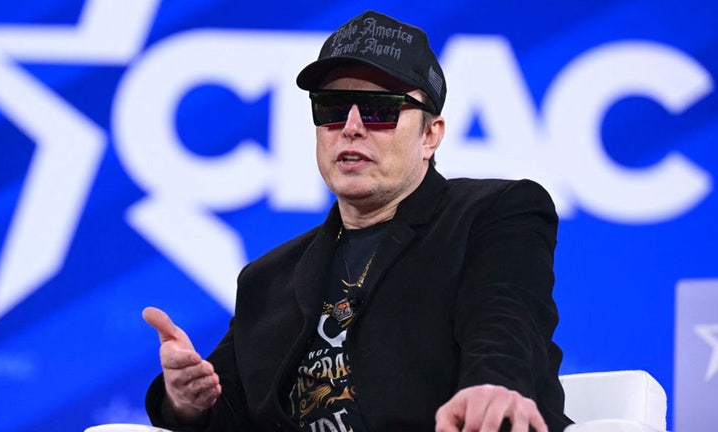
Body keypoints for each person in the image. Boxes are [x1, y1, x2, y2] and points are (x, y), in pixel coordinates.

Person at [143, 10, 573, 432]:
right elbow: (222, 407)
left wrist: (493, 385)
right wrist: (184, 401)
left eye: (378, 109)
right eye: (331, 107)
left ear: (430, 135)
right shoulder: (267, 278)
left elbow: (505, 321)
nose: (350, 127)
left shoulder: (494, 214)